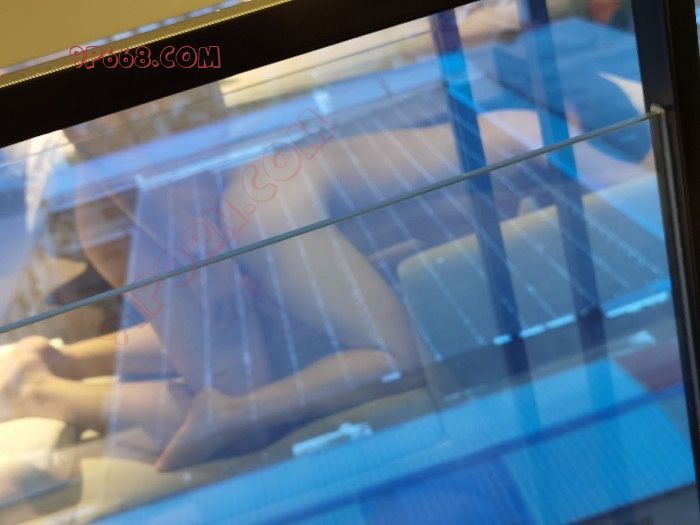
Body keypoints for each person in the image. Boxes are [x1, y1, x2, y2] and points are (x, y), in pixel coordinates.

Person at [0, 3, 653, 472]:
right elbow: (643, 199)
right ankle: (64, 389)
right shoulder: (538, 124)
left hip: (213, 188)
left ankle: (54, 371)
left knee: (250, 334)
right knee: (359, 361)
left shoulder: (525, 104)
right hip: (256, 199)